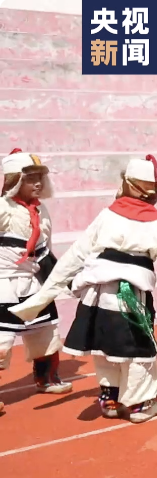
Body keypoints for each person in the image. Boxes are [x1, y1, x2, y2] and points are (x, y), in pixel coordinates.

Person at [10, 155, 157, 422]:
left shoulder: (107, 215)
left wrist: (44, 295)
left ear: (127, 184)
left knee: (104, 346)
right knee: (139, 352)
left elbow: (75, 255)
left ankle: (110, 396)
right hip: (130, 299)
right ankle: (139, 404)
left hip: (96, 296)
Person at [0, 149, 70, 415]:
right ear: (14, 180)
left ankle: (46, 378)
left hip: (33, 281)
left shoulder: (42, 210)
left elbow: (45, 249)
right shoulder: (3, 208)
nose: (37, 183)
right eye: (30, 178)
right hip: (4, 282)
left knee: (46, 334)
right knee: (1, 342)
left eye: (40, 177)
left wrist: (62, 279)